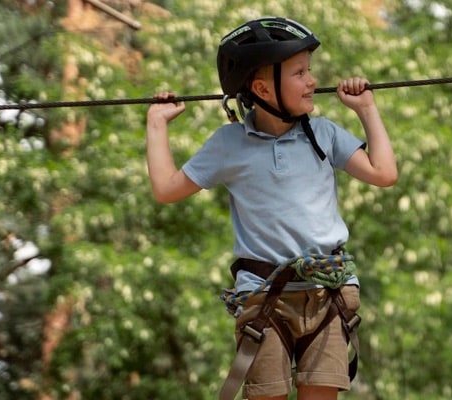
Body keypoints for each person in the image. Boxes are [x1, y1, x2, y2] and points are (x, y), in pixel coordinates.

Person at [145, 16, 397, 400]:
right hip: (263, 297)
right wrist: (157, 125)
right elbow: (166, 189)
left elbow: (384, 173)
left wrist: (366, 109)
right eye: (299, 73)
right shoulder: (229, 143)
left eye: (309, 71)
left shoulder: (324, 133)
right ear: (262, 88)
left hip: (327, 292)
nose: (312, 81)